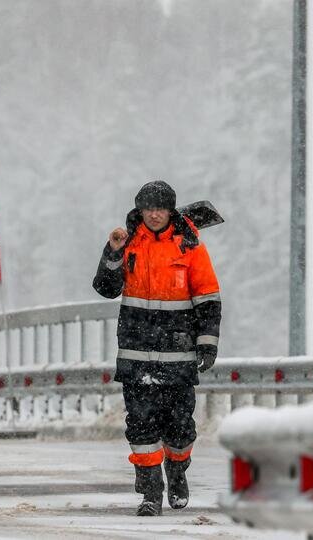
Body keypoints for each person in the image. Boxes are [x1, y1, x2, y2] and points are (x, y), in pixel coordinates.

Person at [92, 180, 222, 516]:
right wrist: (112, 252)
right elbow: (106, 288)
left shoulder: (189, 246)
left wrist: (207, 344)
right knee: (141, 426)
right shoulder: (129, 243)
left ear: (170, 211)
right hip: (136, 357)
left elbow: (208, 299)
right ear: (140, 210)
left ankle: (177, 470)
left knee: (180, 428)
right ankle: (150, 492)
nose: (154, 215)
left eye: (160, 209)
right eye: (148, 209)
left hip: (178, 358)